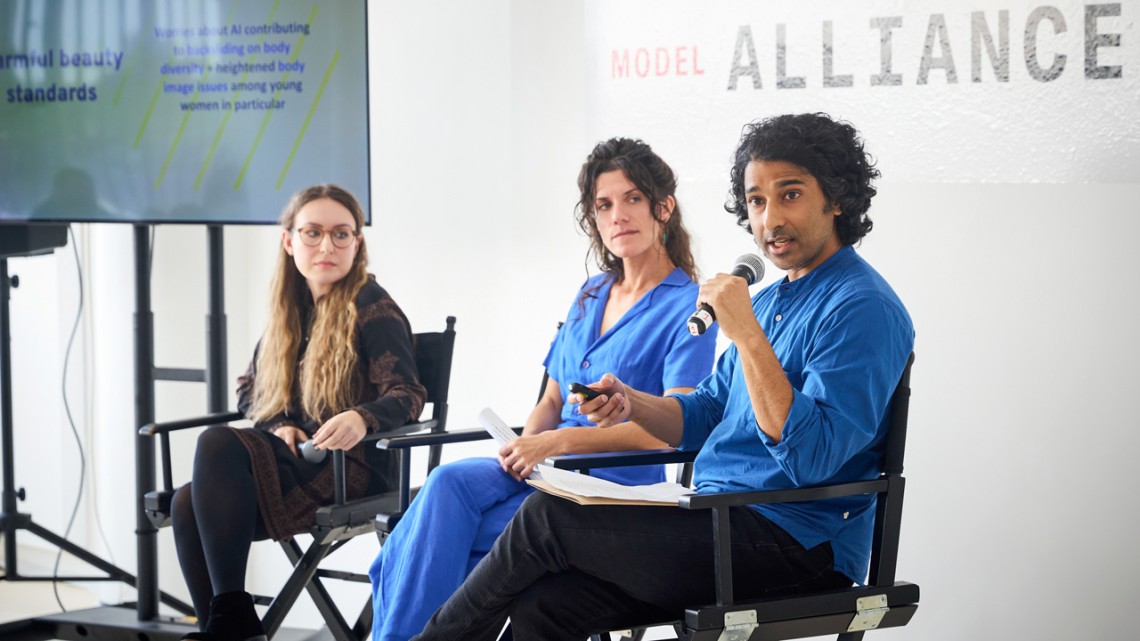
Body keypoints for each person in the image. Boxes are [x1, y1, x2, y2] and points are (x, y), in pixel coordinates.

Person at [410, 113, 915, 640]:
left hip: (797, 543)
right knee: (546, 606)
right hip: (717, 520)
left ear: (837, 197)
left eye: (790, 195)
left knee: (546, 519)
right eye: (756, 201)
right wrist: (632, 402)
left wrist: (747, 336)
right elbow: (702, 415)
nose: (769, 220)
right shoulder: (768, 302)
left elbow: (813, 457)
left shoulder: (863, 307)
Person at [368, 138, 719, 641]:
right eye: (604, 205)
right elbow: (552, 401)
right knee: (446, 485)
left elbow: (671, 431)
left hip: (613, 484)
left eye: (633, 198)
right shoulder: (591, 292)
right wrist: (526, 449)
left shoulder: (690, 306)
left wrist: (553, 443)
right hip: (544, 468)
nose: (618, 215)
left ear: (663, 208)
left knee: (433, 542)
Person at [171, 184, 427, 641]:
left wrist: (361, 417)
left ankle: (232, 623)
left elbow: (407, 393)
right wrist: (277, 424)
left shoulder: (372, 305)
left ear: (357, 243)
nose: (327, 246)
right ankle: (224, 628)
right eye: (312, 233)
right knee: (185, 503)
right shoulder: (290, 309)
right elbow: (249, 390)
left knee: (216, 441)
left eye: (341, 234)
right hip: (300, 463)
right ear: (289, 241)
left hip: (351, 469)